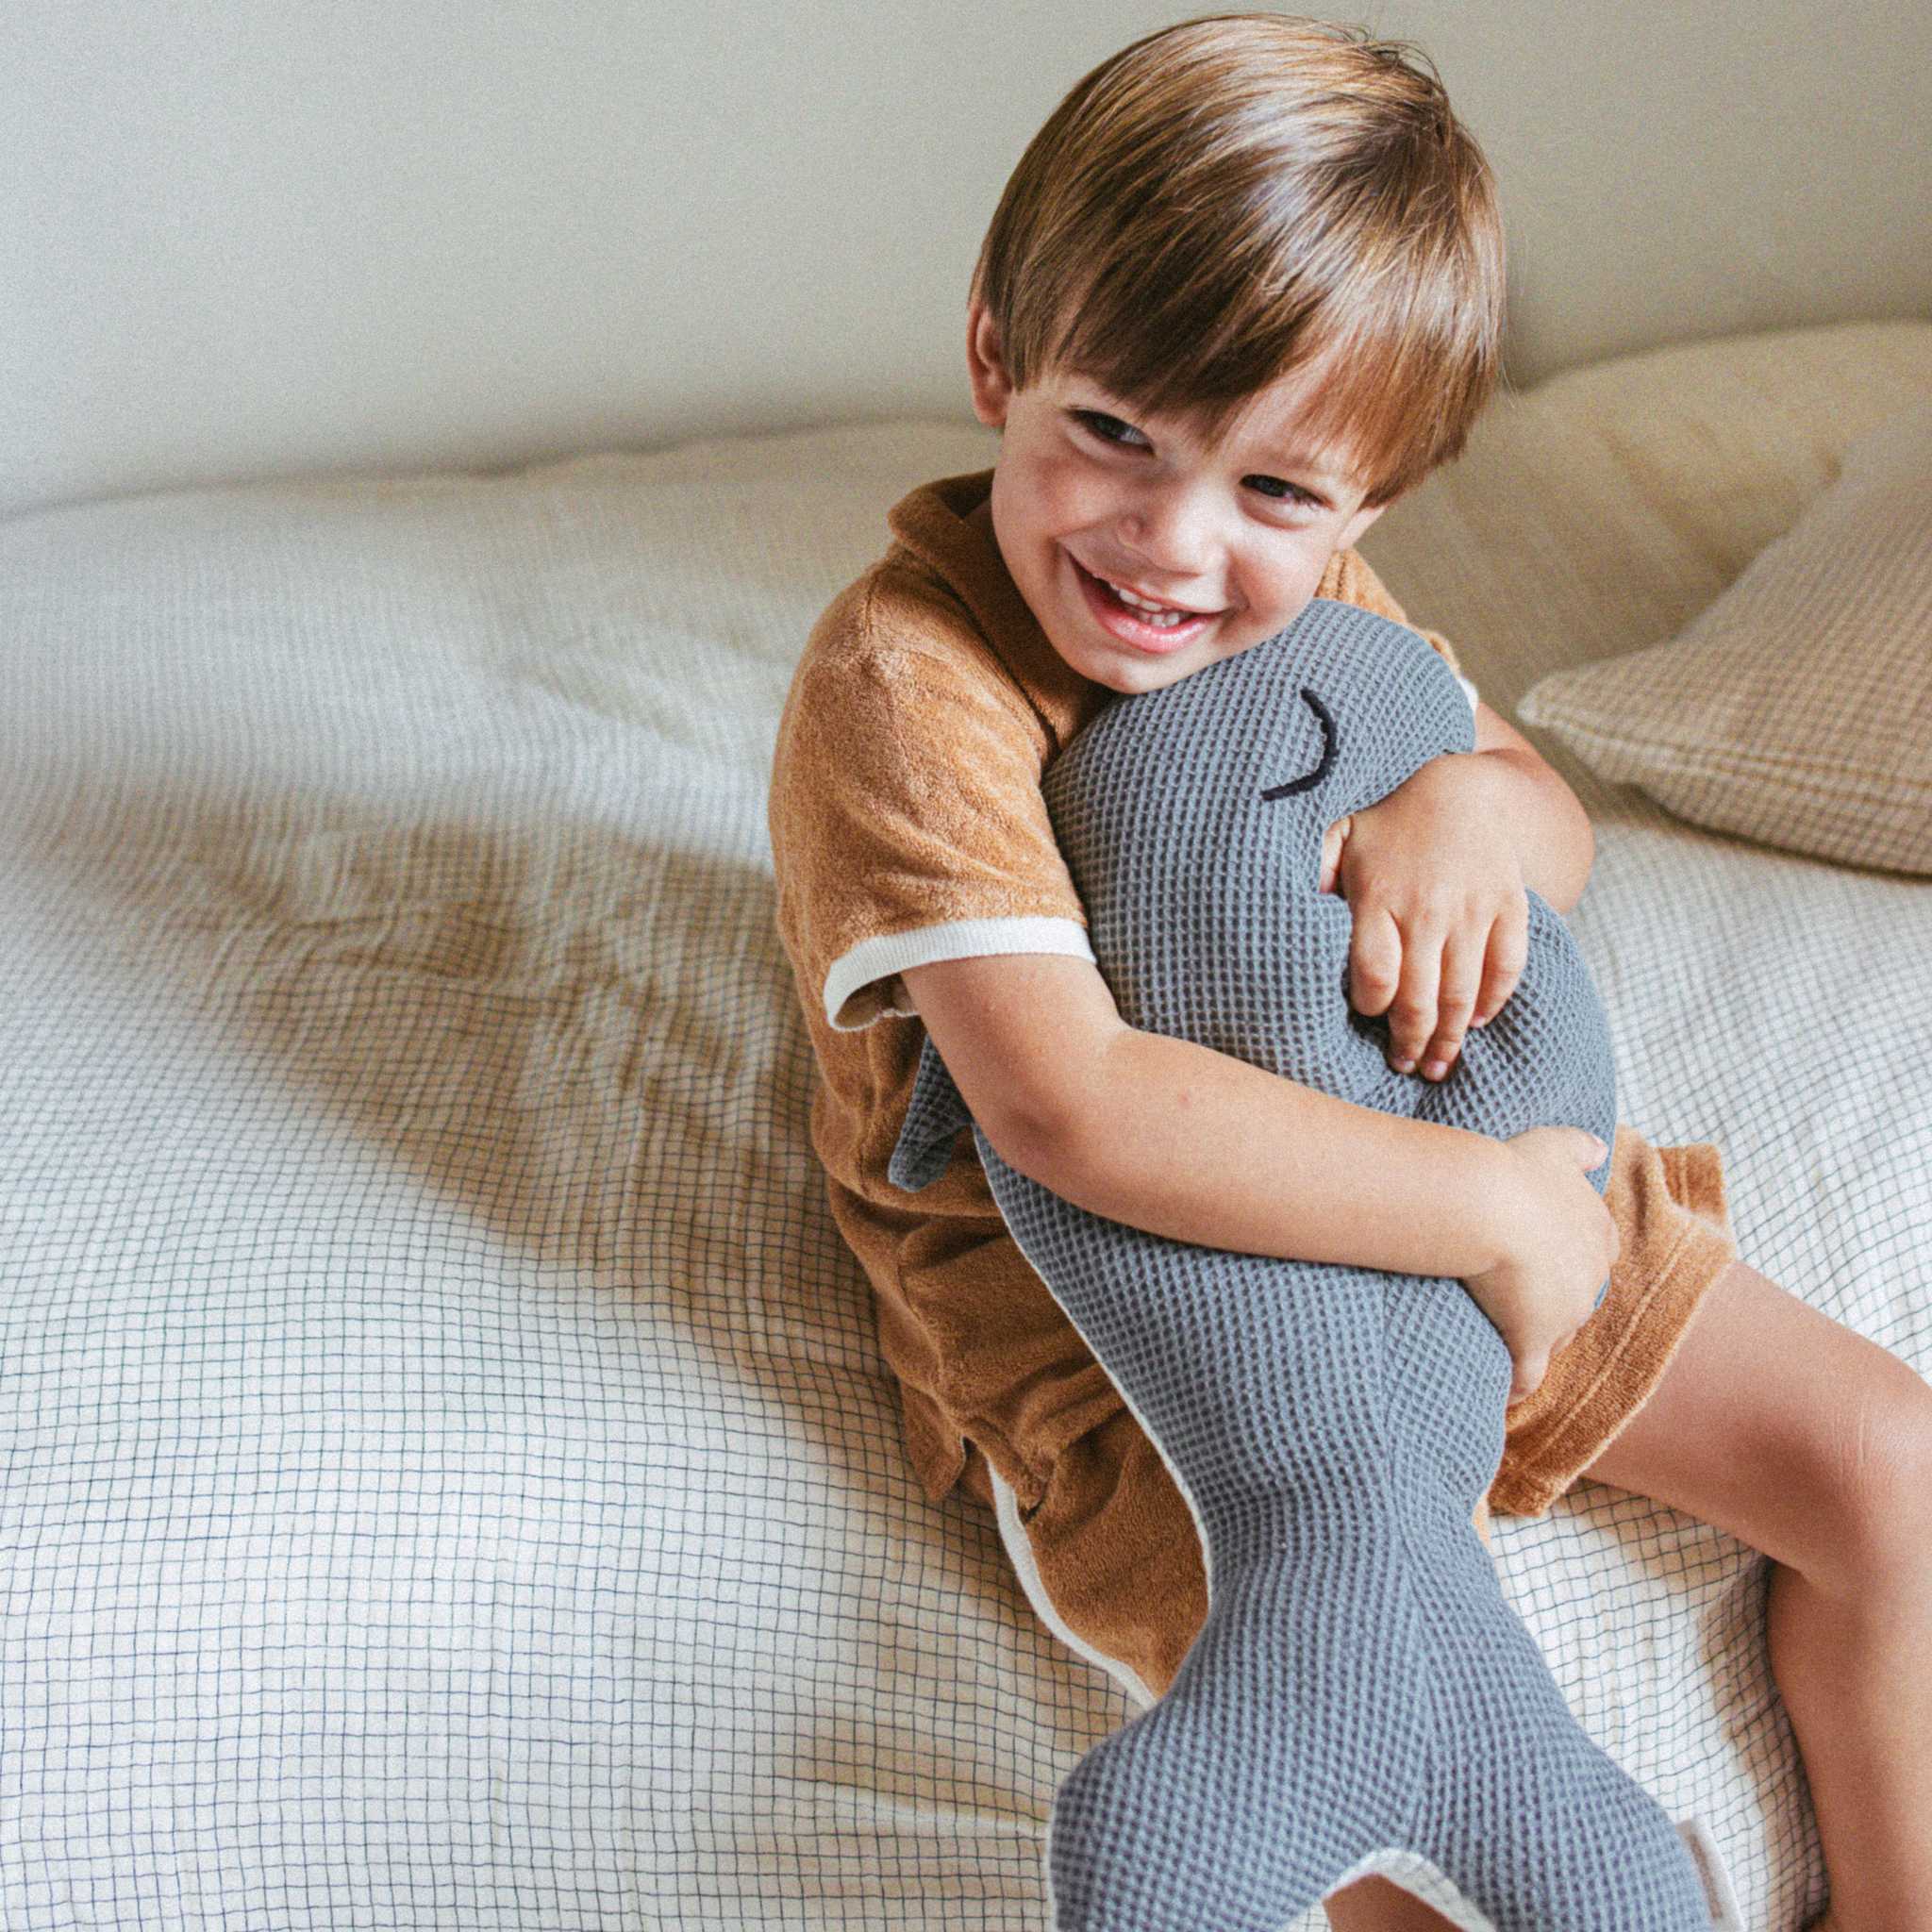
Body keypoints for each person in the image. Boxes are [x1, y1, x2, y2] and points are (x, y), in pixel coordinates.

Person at [766, 16, 1932, 1928]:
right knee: (1359, 1826)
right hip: (1139, 1322)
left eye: (1277, 494)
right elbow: (1066, 1108)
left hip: (1416, 1154)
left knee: (1885, 1461)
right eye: (1111, 435)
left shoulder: (1315, 600)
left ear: (1374, 496)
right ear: (997, 352)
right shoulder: (907, 682)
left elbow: (1544, 815)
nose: (1172, 542)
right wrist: (1475, 1204)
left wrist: (1475, 810)